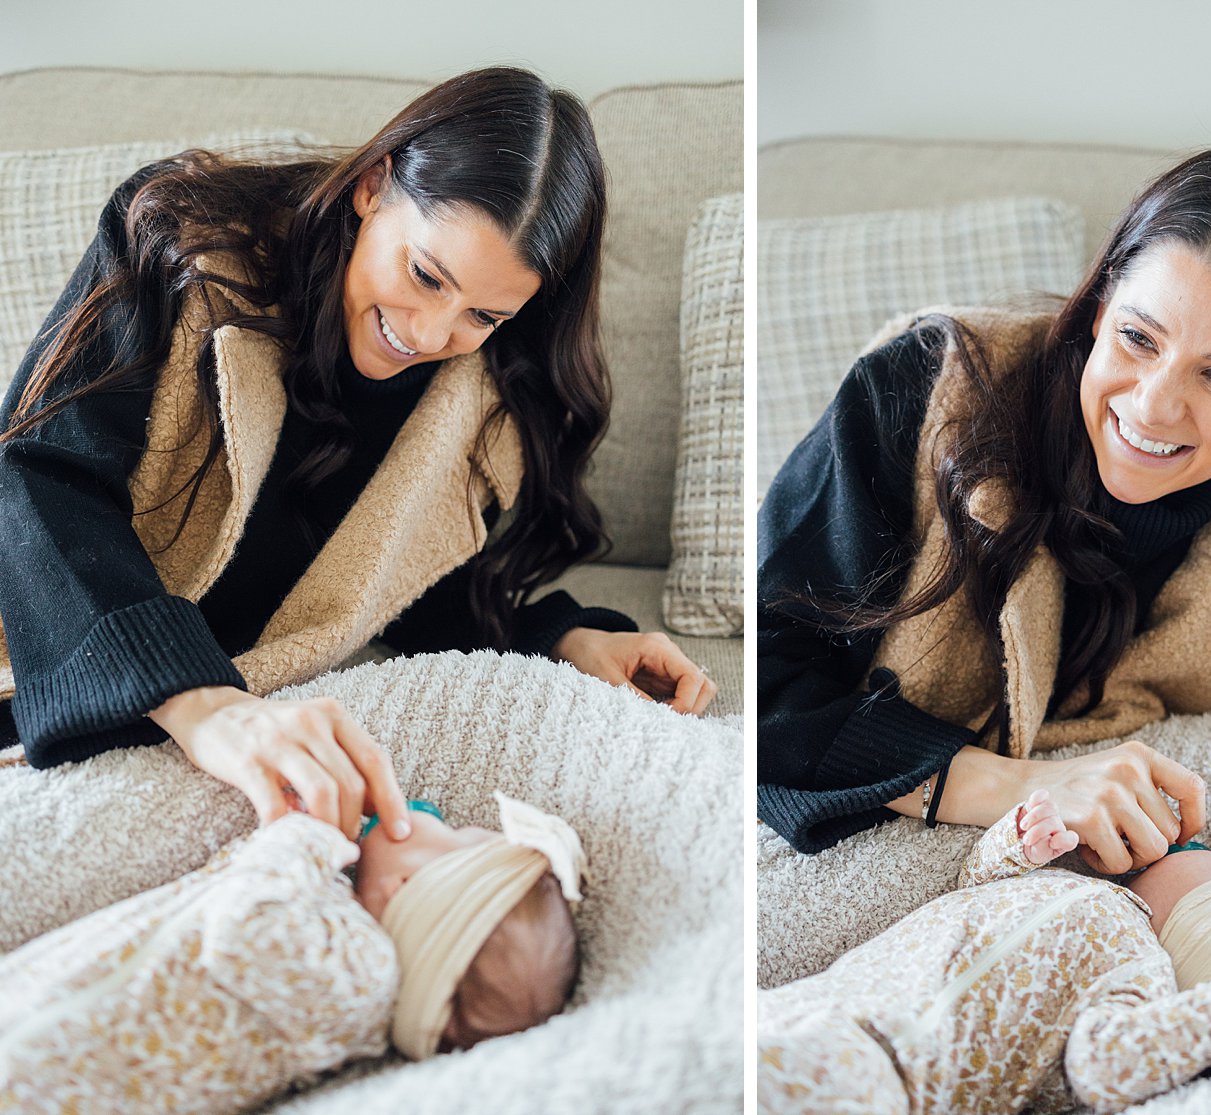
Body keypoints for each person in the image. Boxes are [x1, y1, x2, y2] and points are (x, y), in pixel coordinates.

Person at [758, 146, 1211, 944]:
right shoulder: (918, 393)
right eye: (1137, 337)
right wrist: (1019, 786)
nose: (1155, 407)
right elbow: (766, 678)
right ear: (1098, 309)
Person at [0, 67, 716, 843]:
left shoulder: (478, 401)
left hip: (238, 714)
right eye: (424, 273)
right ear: (374, 186)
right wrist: (198, 699)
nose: (432, 334)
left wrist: (566, 638)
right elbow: (37, 475)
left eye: (482, 313)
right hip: (71, 651)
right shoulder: (183, 246)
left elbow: (396, 575)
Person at [0, 790, 585, 1114]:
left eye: (454, 834)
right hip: (49, 993)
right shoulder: (334, 920)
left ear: (403, 889)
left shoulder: (362, 981)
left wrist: (309, 834)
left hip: (52, 1078)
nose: (435, 810)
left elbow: (242, 927)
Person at [757, 790, 1211, 1114]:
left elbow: (1100, 1068)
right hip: (825, 1000)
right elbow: (972, 889)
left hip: (895, 1079)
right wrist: (1018, 843)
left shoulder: (1137, 976)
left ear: (1208, 923)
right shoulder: (1082, 891)